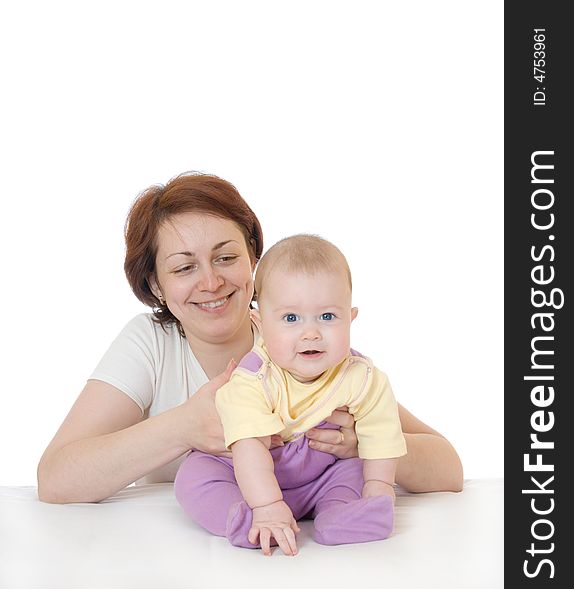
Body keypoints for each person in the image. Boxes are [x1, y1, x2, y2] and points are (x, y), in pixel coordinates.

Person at [36, 172, 463, 505]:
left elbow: (448, 468)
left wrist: (366, 446)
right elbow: (55, 479)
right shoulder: (150, 343)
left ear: (254, 259)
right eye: (185, 268)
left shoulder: (302, 338)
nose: (211, 281)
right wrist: (183, 427)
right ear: (156, 284)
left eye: (226, 258)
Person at [174, 235, 407, 556]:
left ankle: (340, 515)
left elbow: (382, 437)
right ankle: (244, 519)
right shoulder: (252, 379)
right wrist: (268, 506)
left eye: (327, 317)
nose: (310, 333)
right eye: (291, 319)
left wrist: (378, 491)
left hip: (318, 474)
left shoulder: (362, 377)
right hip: (246, 474)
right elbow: (250, 446)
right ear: (261, 322)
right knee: (194, 478)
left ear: (350, 319)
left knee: (354, 468)